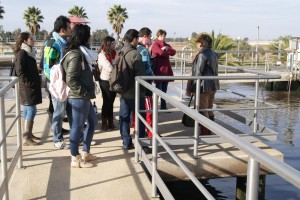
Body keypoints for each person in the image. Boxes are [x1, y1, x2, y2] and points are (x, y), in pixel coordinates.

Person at [63, 24, 98, 168]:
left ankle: (85, 152)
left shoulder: (81, 53)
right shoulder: (75, 55)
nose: (90, 38)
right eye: (89, 35)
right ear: (84, 37)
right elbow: (71, 79)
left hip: (83, 97)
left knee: (93, 122)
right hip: (78, 97)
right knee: (76, 128)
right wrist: (84, 93)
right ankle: (75, 158)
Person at [43, 15, 71, 149]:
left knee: (68, 109)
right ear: (62, 29)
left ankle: (75, 135)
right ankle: (57, 139)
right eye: (68, 27)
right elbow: (49, 66)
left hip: (64, 81)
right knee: (59, 112)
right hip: (57, 83)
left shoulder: (63, 42)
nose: (71, 29)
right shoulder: (53, 43)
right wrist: (56, 83)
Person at [186, 33, 219, 135]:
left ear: (202, 43)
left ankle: (205, 131)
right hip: (213, 85)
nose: (197, 45)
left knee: (203, 109)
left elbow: (198, 73)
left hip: (203, 86)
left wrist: (192, 88)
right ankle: (210, 129)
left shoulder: (202, 55)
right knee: (209, 108)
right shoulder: (213, 53)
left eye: (198, 42)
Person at [119, 29, 147, 150]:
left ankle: (126, 142)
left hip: (123, 92)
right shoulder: (135, 54)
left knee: (124, 118)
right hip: (135, 93)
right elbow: (141, 74)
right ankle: (140, 143)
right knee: (140, 118)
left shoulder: (119, 52)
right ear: (134, 39)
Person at [14, 32, 42, 146]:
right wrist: (29, 83)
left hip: (29, 86)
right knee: (31, 110)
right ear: (25, 41)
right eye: (31, 38)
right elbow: (20, 71)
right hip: (26, 87)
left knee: (28, 110)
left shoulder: (28, 52)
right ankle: (26, 137)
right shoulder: (22, 53)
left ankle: (28, 134)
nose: (33, 40)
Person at [151, 29, 176, 110]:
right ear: (158, 36)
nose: (163, 38)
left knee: (164, 89)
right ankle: (155, 107)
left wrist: (166, 48)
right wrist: (166, 50)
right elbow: (160, 53)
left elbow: (173, 52)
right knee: (158, 90)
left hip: (166, 70)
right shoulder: (155, 44)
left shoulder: (166, 44)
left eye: (164, 36)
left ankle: (163, 106)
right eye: (161, 36)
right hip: (159, 70)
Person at [136, 27, 154, 138]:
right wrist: (153, 76)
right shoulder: (143, 51)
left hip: (137, 83)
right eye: (150, 37)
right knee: (149, 108)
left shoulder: (136, 48)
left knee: (138, 108)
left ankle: (136, 128)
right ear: (144, 37)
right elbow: (146, 67)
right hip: (145, 82)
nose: (151, 39)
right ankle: (151, 131)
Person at [97, 36, 117, 131]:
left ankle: (111, 122)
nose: (115, 45)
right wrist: (116, 67)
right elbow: (109, 67)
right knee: (107, 102)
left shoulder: (114, 53)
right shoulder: (102, 55)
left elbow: (116, 64)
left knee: (111, 102)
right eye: (113, 43)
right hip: (105, 80)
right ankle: (104, 124)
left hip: (113, 80)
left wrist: (115, 66)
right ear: (108, 44)